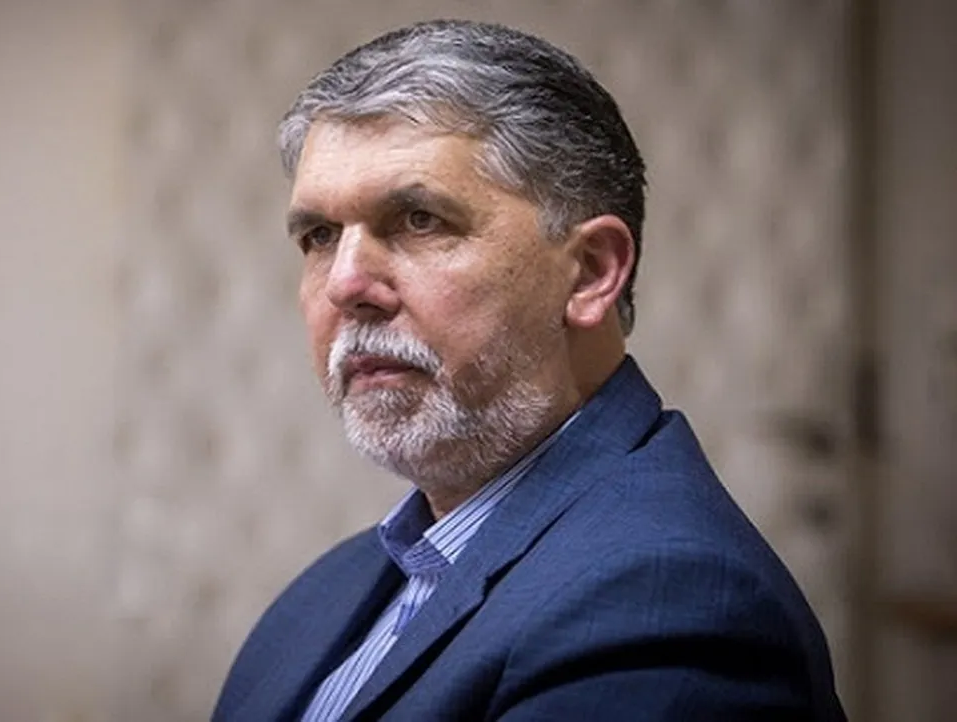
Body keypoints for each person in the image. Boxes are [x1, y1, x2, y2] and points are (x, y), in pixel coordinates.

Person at [212, 19, 847, 722]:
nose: (345, 284)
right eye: (320, 236)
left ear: (591, 272)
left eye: (419, 220)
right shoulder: (323, 597)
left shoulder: (669, 605)